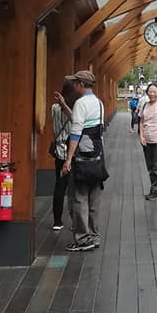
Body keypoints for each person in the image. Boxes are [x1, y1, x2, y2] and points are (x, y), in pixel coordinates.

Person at [61, 70, 106, 252]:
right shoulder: (98, 103)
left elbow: (76, 132)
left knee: (79, 199)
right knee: (94, 198)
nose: (73, 86)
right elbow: (82, 122)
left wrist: (68, 159)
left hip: (82, 158)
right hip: (97, 156)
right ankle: (94, 236)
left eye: (74, 83)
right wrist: (64, 105)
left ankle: (83, 239)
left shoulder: (80, 103)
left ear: (80, 84)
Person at [49, 78, 77, 232]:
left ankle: (57, 220)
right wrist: (65, 105)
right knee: (74, 188)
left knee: (59, 186)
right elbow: (75, 120)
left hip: (59, 152)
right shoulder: (74, 109)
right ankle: (75, 221)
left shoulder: (54, 108)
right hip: (71, 152)